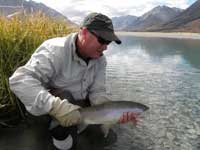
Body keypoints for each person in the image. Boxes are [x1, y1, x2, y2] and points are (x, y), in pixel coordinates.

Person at [9, 12, 139, 150]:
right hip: (49, 109)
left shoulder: (100, 60)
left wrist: (112, 114)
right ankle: (57, 137)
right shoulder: (54, 50)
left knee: (107, 138)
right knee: (65, 99)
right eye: (102, 40)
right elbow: (19, 80)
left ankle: (73, 133)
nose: (105, 47)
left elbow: (97, 91)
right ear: (83, 32)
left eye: (108, 42)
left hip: (80, 110)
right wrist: (56, 107)